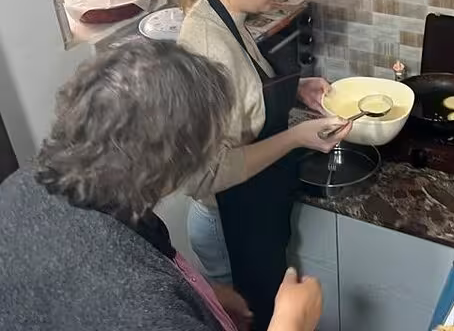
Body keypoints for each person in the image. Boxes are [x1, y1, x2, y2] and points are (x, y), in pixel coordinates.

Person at [0, 40, 323, 331]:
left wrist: (198, 298)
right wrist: (292, 321)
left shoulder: (24, 184)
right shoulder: (143, 307)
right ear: (171, 163)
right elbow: (131, 300)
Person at [170, 0, 350, 329]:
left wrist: (295, 90)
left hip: (251, 209)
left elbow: (246, 91)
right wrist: (297, 137)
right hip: (228, 223)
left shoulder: (226, 14)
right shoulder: (208, 45)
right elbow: (209, 173)